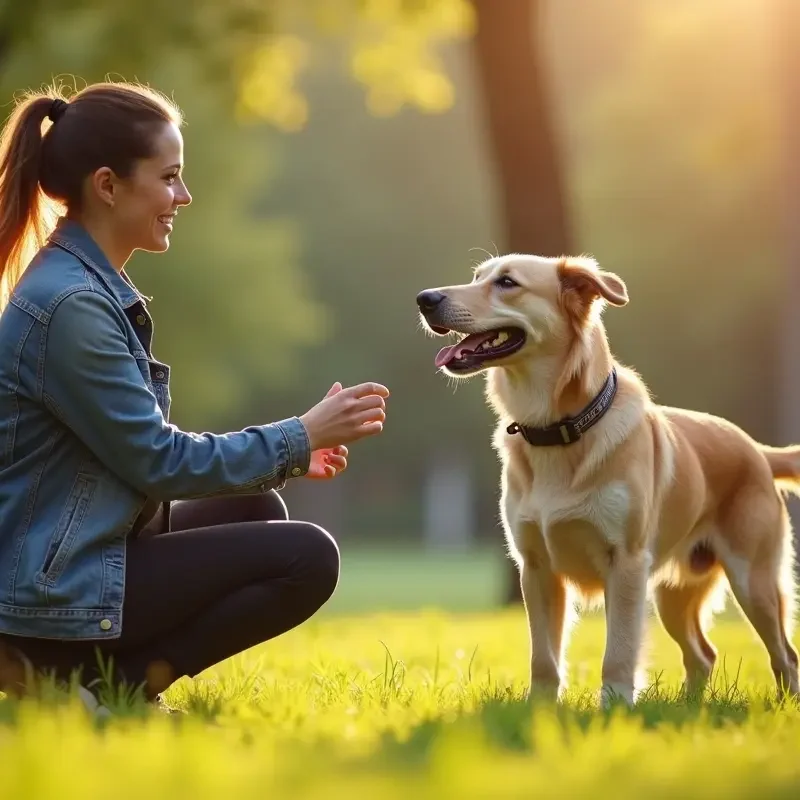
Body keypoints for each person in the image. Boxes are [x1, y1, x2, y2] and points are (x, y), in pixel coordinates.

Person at [0, 81, 389, 712]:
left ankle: (100, 685)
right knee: (309, 557)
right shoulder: (72, 306)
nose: (183, 196)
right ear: (108, 185)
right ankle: (108, 690)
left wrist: (292, 451)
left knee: (257, 506)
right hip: (50, 594)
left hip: (67, 559)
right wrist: (299, 436)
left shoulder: (82, 286)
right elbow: (158, 462)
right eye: (169, 177)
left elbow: (137, 462)